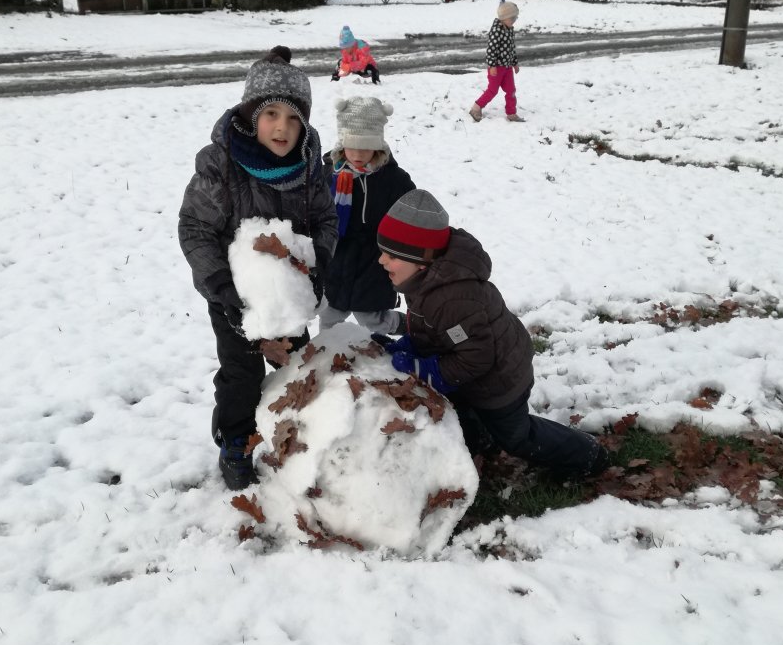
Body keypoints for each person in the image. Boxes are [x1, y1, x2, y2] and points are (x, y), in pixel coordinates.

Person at [178, 50, 338, 490]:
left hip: (289, 295)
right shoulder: (221, 164)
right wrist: (220, 286)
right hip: (235, 298)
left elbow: (325, 219)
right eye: (271, 114)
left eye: (293, 118)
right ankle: (237, 439)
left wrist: (319, 264)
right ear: (252, 117)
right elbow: (195, 228)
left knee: (298, 366)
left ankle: (295, 431)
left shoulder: (307, 164)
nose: (282, 127)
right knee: (242, 376)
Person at [375, 190, 609, 482]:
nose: (382, 260)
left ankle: (588, 455)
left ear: (421, 260)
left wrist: (426, 369)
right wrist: (409, 346)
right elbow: (438, 331)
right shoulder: (425, 281)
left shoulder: (452, 298)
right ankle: (479, 440)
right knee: (463, 407)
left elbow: (476, 357)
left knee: (517, 438)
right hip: (476, 374)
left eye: (392, 256)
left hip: (500, 382)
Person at [319, 96, 415, 334]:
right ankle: (326, 352)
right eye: (352, 146)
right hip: (336, 260)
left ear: (378, 146)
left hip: (374, 262)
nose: (358, 154)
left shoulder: (394, 180)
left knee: (372, 319)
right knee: (330, 316)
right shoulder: (327, 175)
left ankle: (406, 327)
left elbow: (410, 215)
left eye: (366, 147)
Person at [469, 0, 524, 123]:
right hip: (496, 68)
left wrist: (515, 63)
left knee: (511, 90)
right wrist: (492, 65)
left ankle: (511, 113)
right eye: (512, 18)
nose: (514, 20)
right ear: (504, 18)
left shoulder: (509, 29)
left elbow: (511, 48)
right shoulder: (496, 31)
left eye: (515, 18)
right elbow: (491, 49)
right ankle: (476, 107)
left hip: (507, 67)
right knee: (492, 90)